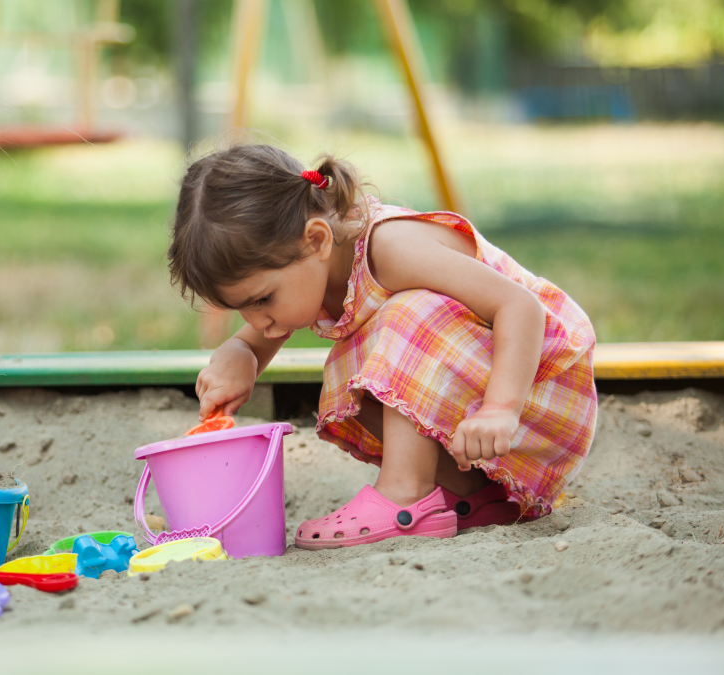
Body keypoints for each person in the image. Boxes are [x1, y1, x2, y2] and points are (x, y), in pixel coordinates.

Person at [169, 144, 596, 549]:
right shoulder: (312, 266)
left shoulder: (391, 248)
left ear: (316, 240)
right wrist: (240, 354)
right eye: (241, 310)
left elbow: (520, 307)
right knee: (348, 363)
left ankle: (404, 495)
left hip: (539, 389)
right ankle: (471, 495)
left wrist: (500, 409)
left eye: (262, 300)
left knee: (405, 316)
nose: (258, 321)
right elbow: (263, 328)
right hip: (485, 428)